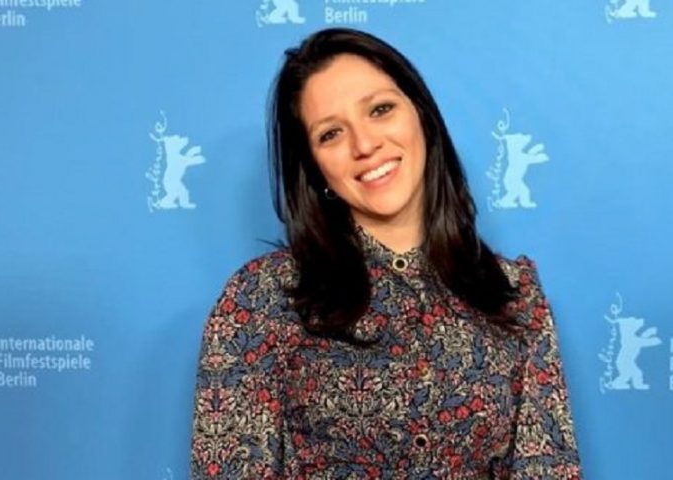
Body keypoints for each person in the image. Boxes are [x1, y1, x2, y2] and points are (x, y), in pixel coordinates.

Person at [190, 28, 582, 479]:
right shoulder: (261, 300)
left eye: (380, 110)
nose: (364, 145)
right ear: (315, 168)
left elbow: (549, 469)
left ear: (422, 116)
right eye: (331, 134)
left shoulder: (513, 293)